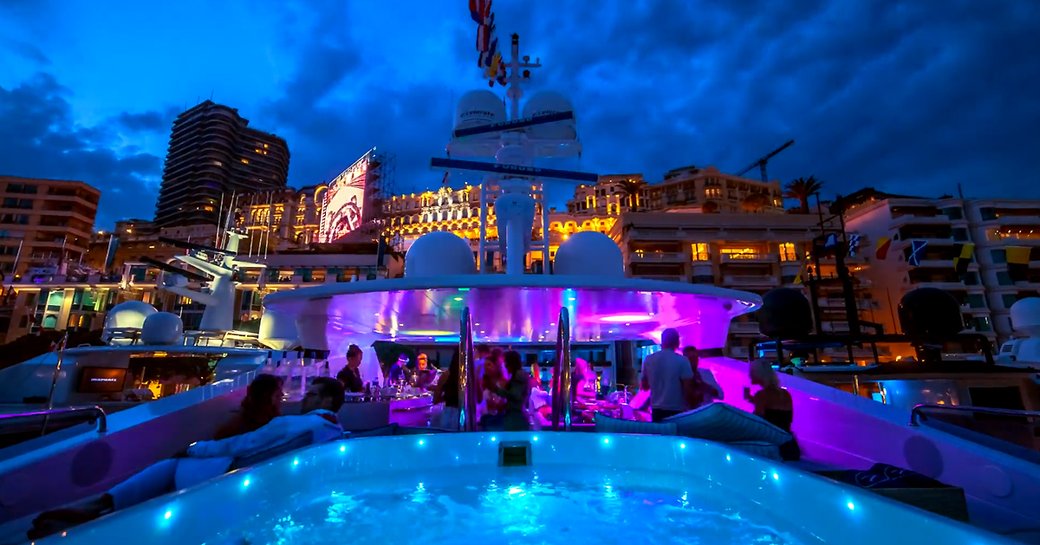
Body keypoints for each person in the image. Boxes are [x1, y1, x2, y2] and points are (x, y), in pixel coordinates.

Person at [31, 378, 346, 538]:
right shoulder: (334, 432)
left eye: (313, 394)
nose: (305, 397)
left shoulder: (295, 423)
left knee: (170, 465)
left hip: (235, 477)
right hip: (273, 482)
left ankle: (97, 507)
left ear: (328, 400)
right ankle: (101, 508)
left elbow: (243, 444)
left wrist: (194, 448)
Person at [745, 359, 800, 461]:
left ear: (758, 374)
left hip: (773, 448)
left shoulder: (761, 395)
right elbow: (778, 414)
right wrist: (753, 400)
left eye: (751, 372)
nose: (749, 375)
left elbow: (757, 424)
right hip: (790, 445)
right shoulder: (785, 394)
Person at [640, 328, 698, 422]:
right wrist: (694, 408)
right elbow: (688, 389)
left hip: (656, 410)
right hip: (677, 410)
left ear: (662, 342)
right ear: (677, 342)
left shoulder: (649, 359)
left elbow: (645, 387)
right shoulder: (682, 361)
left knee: (661, 435)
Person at [214, 374, 284, 440]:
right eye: (277, 394)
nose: (282, 394)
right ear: (265, 398)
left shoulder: (274, 419)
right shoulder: (238, 425)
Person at [493, 351, 532, 431]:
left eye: (506, 362)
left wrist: (496, 389)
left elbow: (515, 395)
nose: (505, 366)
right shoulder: (518, 374)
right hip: (516, 414)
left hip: (516, 416)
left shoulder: (519, 374)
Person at [432, 353, 461, 430]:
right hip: (467, 414)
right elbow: (479, 398)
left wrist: (446, 397)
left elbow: (435, 399)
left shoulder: (446, 375)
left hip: (449, 413)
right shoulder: (471, 376)